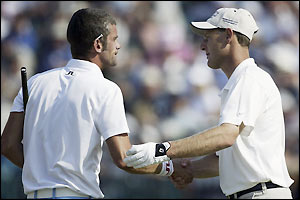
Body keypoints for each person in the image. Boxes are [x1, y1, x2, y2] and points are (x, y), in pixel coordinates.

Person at [1, 8, 190, 199]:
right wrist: (170, 168)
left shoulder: (34, 83)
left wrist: (44, 172)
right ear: (98, 44)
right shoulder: (107, 89)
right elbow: (124, 158)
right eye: (115, 39)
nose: (119, 46)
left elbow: (8, 145)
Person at [123, 7, 294, 199]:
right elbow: (225, 158)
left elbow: (225, 136)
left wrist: (162, 150)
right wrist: (177, 168)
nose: (202, 46)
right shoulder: (242, 80)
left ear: (228, 35)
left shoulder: (249, 78)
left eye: (208, 37)